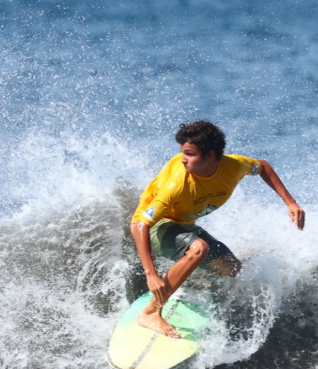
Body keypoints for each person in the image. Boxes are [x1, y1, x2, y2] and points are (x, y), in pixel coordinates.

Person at [129, 120, 305, 338]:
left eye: (190, 154)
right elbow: (139, 225)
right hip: (158, 227)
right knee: (198, 249)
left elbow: (263, 166)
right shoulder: (176, 184)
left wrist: (291, 203)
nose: (183, 159)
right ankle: (151, 312)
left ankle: (186, 276)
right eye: (183, 152)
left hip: (184, 225)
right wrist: (151, 274)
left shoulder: (234, 166)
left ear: (211, 155)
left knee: (231, 269)